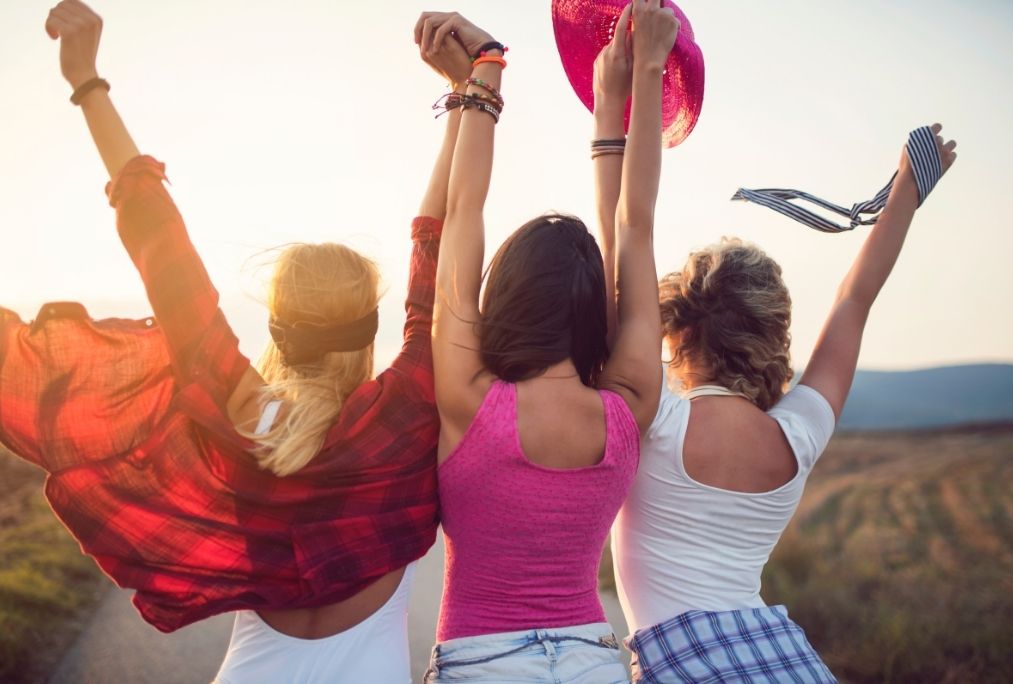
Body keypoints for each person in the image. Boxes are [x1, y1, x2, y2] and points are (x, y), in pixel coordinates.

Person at [0, 1, 476, 681]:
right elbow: (440, 237)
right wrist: (470, 94)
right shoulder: (406, 414)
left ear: (279, 327)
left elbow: (158, 241)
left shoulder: (246, 415)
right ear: (368, 326)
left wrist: (87, 81)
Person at [607, 119, 958, 682]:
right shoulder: (799, 433)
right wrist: (906, 192)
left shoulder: (656, 419)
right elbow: (855, 298)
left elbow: (633, 230)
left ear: (677, 327)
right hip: (786, 661)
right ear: (772, 335)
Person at [420, 3, 673, 681]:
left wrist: (488, 70)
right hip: (593, 660)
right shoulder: (628, 407)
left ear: (505, 296)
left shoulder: (469, 400)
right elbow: (635, 230)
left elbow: (462, 215)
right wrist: (637, 81)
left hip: (482, 663)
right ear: (597, 313)